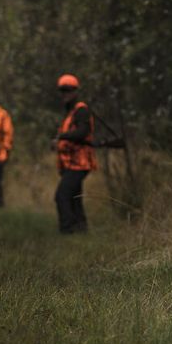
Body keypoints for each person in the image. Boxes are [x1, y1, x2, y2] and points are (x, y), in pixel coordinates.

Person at [52, 74, 96, 234]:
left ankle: (68, 230)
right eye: (62, 91)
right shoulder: (70, 112)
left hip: (80, 163)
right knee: (75, 198)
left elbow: (83, 132)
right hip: (71, 163)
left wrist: (62, 137)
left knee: (62, 196)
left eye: (68, 90)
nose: (65, 94)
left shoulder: (81, 110)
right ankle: (81, 229)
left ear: (76, 91)